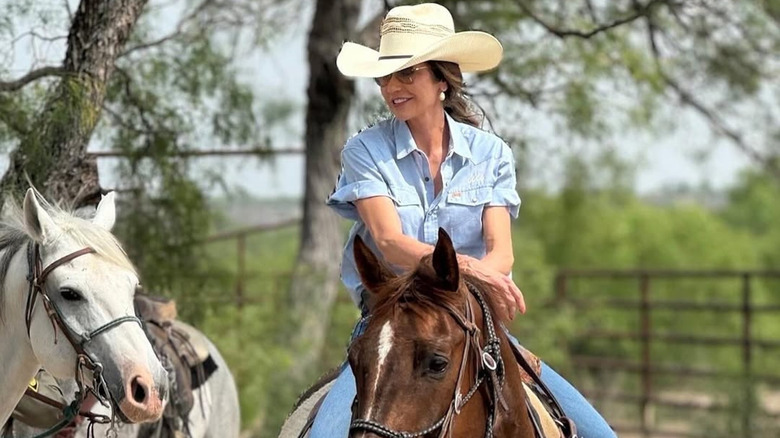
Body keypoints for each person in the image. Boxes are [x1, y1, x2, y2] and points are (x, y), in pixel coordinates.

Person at [314, 3, 617, 437]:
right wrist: (470, 268)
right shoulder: (365, 152)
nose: (391, 87)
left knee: (601, 434)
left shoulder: (492, 155)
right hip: (391, 325)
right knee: (324, 434)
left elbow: (502, 253)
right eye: (384, 77)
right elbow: (389, 241)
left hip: (468, 322)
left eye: (407, 74)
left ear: (442, 78)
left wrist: (476, 281)